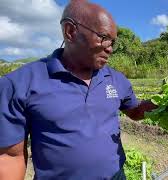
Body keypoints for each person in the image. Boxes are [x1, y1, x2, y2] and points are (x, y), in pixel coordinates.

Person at [0, 1, 156, 180]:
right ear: (70, 31)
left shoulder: (116, 79)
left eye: (112, 42)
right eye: (103, 37)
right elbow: (10, 156)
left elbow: (135, 111)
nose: (110, 48)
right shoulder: (20, 83)